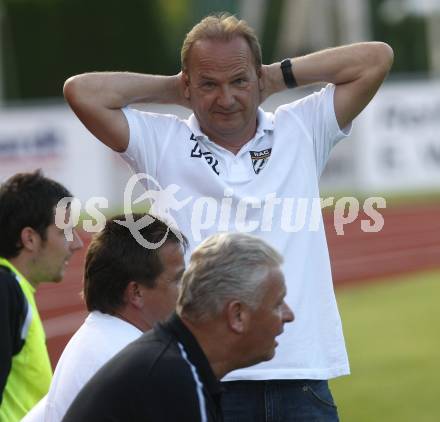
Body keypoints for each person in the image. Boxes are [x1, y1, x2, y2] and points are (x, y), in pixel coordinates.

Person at [63, 12, 394, 421]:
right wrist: (176, 87)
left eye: (239, 81)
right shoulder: (161, 141)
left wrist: (277, 76)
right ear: (189, 85)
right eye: (208, 84)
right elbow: (81, 92)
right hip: (210, 379)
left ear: (257, 78)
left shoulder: (302, 128)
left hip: (301, 374)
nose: (226, 98)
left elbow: (376, 58)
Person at [62, 232, 294, 422]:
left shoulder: (172, 361)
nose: (288, 315)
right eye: (277, 304)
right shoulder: (174, 380)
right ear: (237, 315)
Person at [21, 213, 187, 422]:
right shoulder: (140, 364)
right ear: (136, 293)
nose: (187, 292)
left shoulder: (97, 339)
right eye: (178, 280)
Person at [0, 170, 83, 422]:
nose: (77, 243)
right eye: (65, 232)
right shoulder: (6, 289)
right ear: (30, 238)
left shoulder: (13, 288)